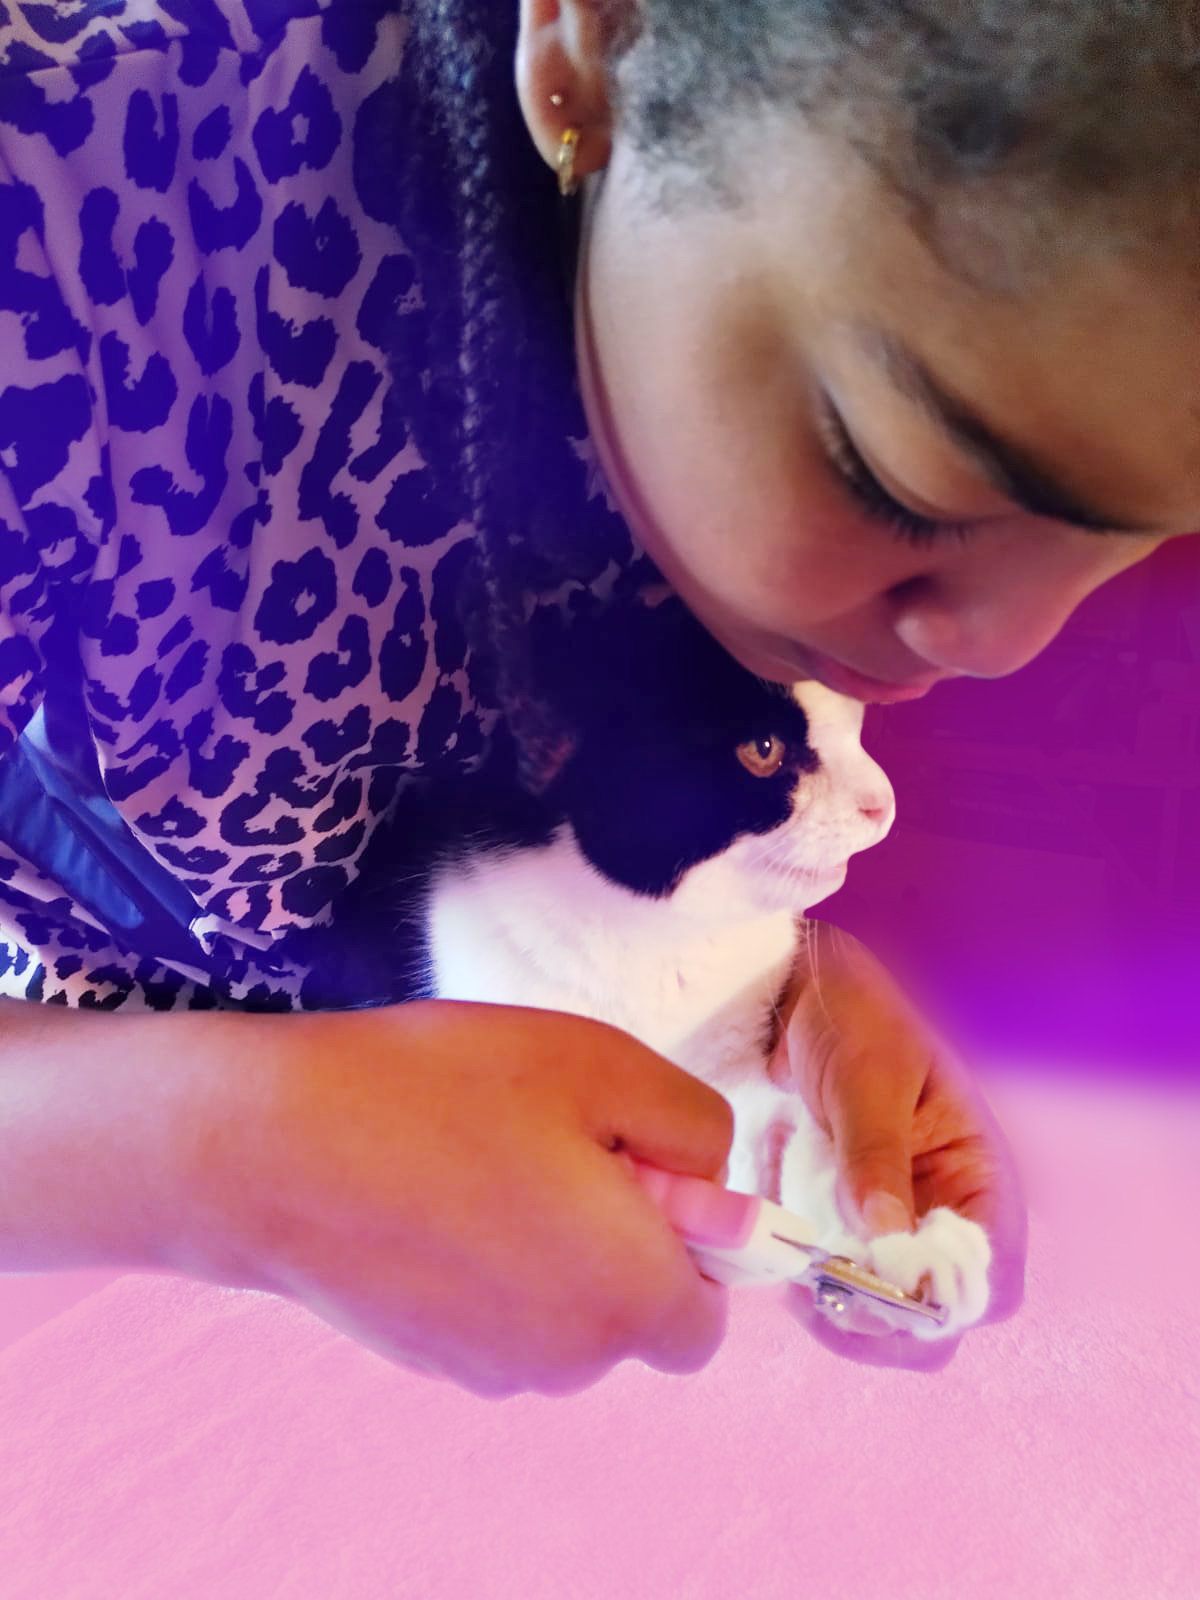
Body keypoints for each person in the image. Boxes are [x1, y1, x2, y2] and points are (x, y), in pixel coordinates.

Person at [2, 0, 1193, 1398]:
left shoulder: (706, 300)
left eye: (1127, 539)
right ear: (597, 42)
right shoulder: (64, 191)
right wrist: (209, 1163)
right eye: (895, 479)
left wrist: (759, 970)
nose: (1004, 648)